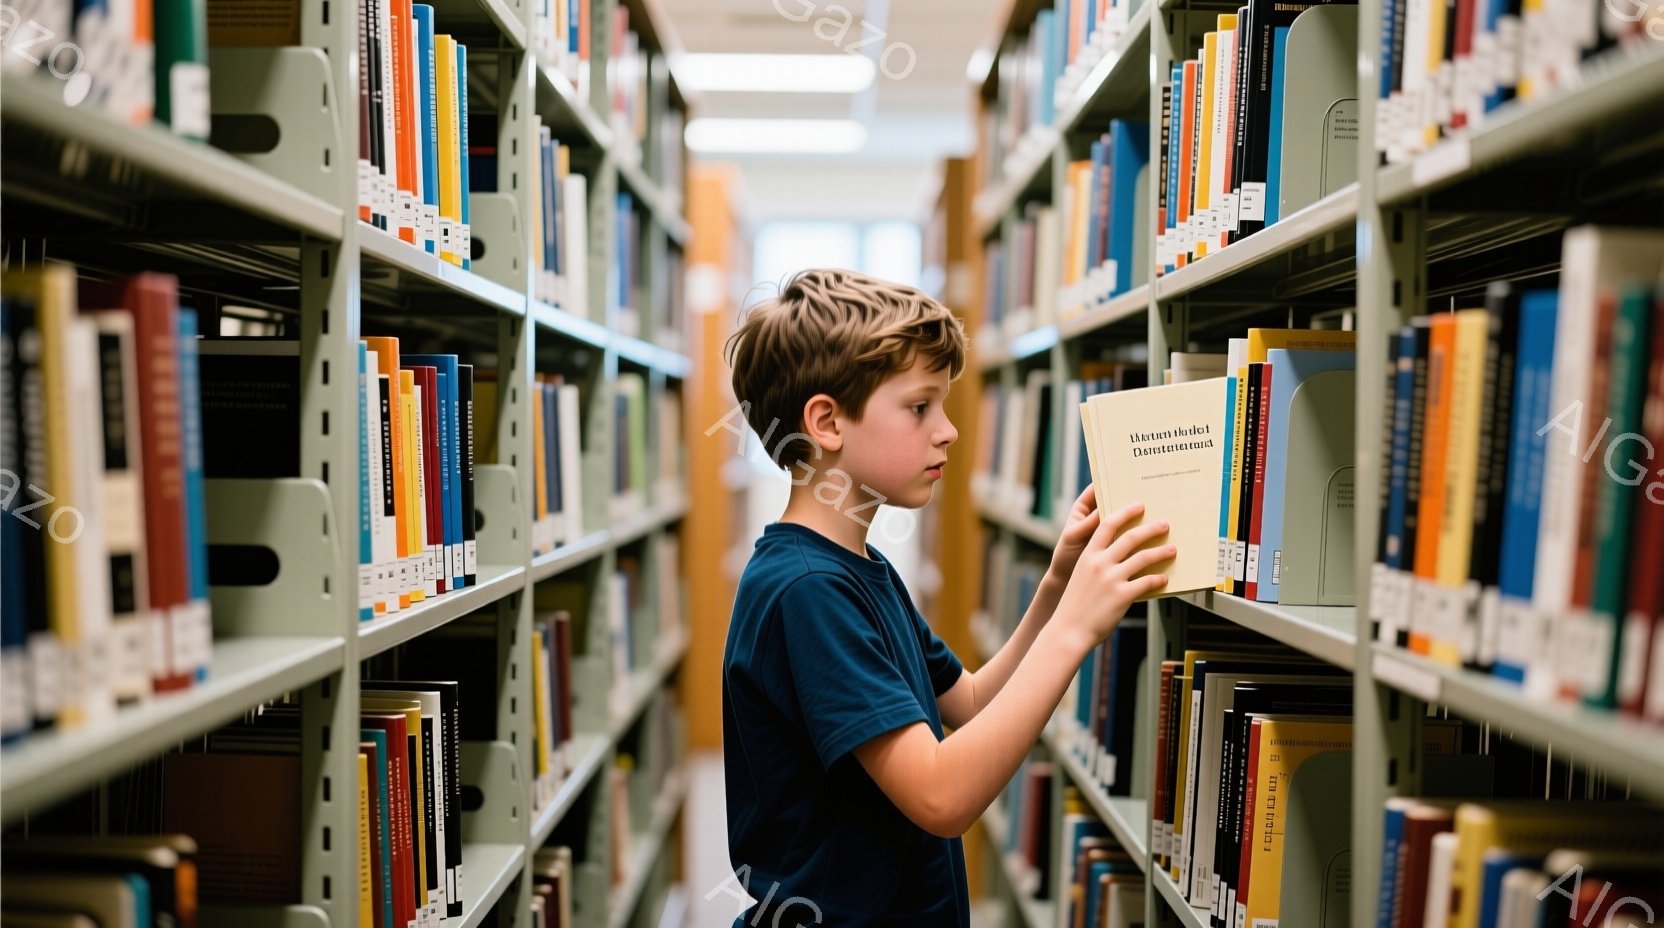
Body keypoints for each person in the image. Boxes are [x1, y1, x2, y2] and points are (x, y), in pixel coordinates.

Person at [716, 268, 1172, 926]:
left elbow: (972, 701)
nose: (948, 430)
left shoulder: (860, 569)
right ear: (828, 422)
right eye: (920, 406)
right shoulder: (807, 592)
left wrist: (1054, 592)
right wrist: (1074, 630)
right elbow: (940, 794)